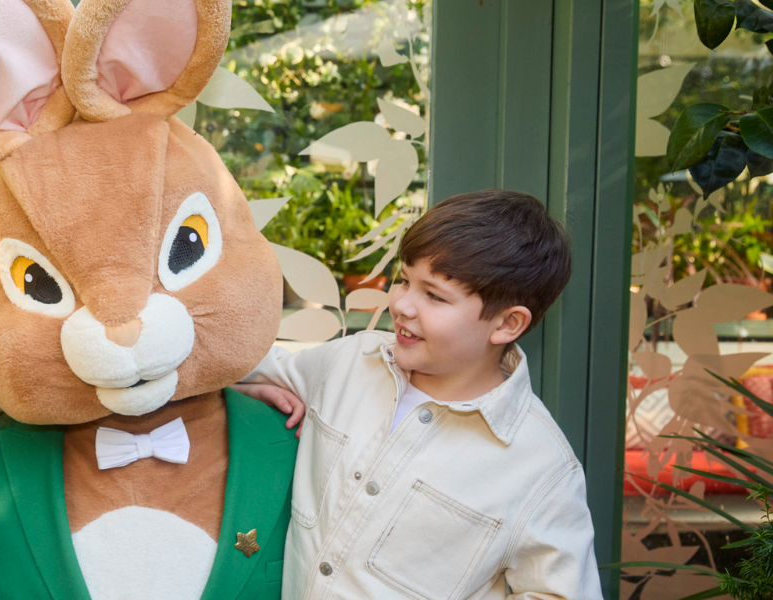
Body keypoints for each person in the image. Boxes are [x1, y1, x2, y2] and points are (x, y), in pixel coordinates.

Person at [235, 189, 601, 599]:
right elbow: (223, 361)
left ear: (507, 324)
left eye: (434, 295)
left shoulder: (542, 467)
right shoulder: (348, 363)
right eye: (405, 280)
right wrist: (247, 386)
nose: (402, 305)